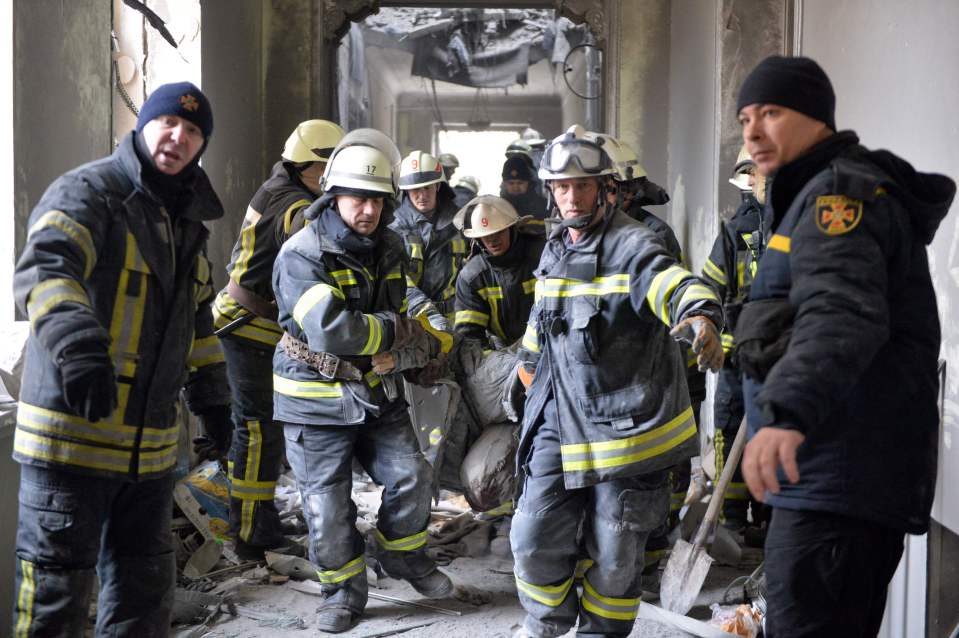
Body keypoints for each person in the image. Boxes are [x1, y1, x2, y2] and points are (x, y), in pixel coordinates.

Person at [735, 55, 955, 637]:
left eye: (772, 113)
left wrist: (785, 413)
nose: (753, 132)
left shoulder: (839, 201)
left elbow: (841, 312)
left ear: (816, 118)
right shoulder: (808, 195)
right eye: (745, 119)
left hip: (838, 478)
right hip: (827, 475)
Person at [12, 81, 231, 634]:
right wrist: (79, 349)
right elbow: (46, 271)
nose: (178, 136)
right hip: (72, 438)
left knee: (144, 592)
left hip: (150, 454)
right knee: (54, 601)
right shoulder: (91, 192)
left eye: (193, 131)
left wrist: (213, 393)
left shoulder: (184, 221)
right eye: (168, 123)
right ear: (142, 126)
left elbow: (197, 314)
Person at [510, 125, 724, 638]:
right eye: (561, 187)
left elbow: (670, 280)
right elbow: (544, 323)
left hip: (625, 433)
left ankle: (599, 634)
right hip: (558, 420)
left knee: (616, 556)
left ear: (607, 189)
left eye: (582, 186)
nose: (571, 197)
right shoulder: (556, 246)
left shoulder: (633, 243)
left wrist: (700, 316)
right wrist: (524, 372)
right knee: (532, 538)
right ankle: (547, 624)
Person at [272, 130, 453, 634]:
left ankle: (401, 555)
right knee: (328, 508)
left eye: (377, 199)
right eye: (357, 197)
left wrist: (424, 335)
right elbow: (332, 331)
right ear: (333, 195)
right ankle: (343, 592)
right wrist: (398, 333)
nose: (368, 209)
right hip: (315, 398)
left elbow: (402, 302)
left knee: (413, 476)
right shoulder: (300, 254)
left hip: (376, 391)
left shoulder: (390, 245)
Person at [212, 119, 344, 559]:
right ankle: (251, 533)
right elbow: (304, 251)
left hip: (247, 320)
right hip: (246, 325)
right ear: (315, 165)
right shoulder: (294, 206)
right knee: (256, 430)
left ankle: (257, 515)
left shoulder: (277, 188)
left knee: (259, 428)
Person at [701, 144, 767, 536]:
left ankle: (768, 517)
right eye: (756, 175)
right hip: (736, 356)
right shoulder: (734, 232)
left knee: (771, 432)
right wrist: (714, 332)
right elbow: (710, 288)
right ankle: (730, 518)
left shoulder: (793, 230)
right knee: (729, 428)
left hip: (778, 359)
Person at [389, 150, 467, 328]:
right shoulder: (393, 227)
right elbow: (397, 279)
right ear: (406, 190)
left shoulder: (459, 222)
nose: (422, 195)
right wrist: (428, 313)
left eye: (427, 187)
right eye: (415, 189)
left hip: (456, 317)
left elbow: (472, 270)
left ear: (438, 187)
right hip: (412, 320)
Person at [500, 155, 549, 221]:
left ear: (528, 183)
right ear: (505, 184)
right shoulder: (498, 208)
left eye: (520, 183)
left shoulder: (544, 207)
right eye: (511, 183)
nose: (516, 187)